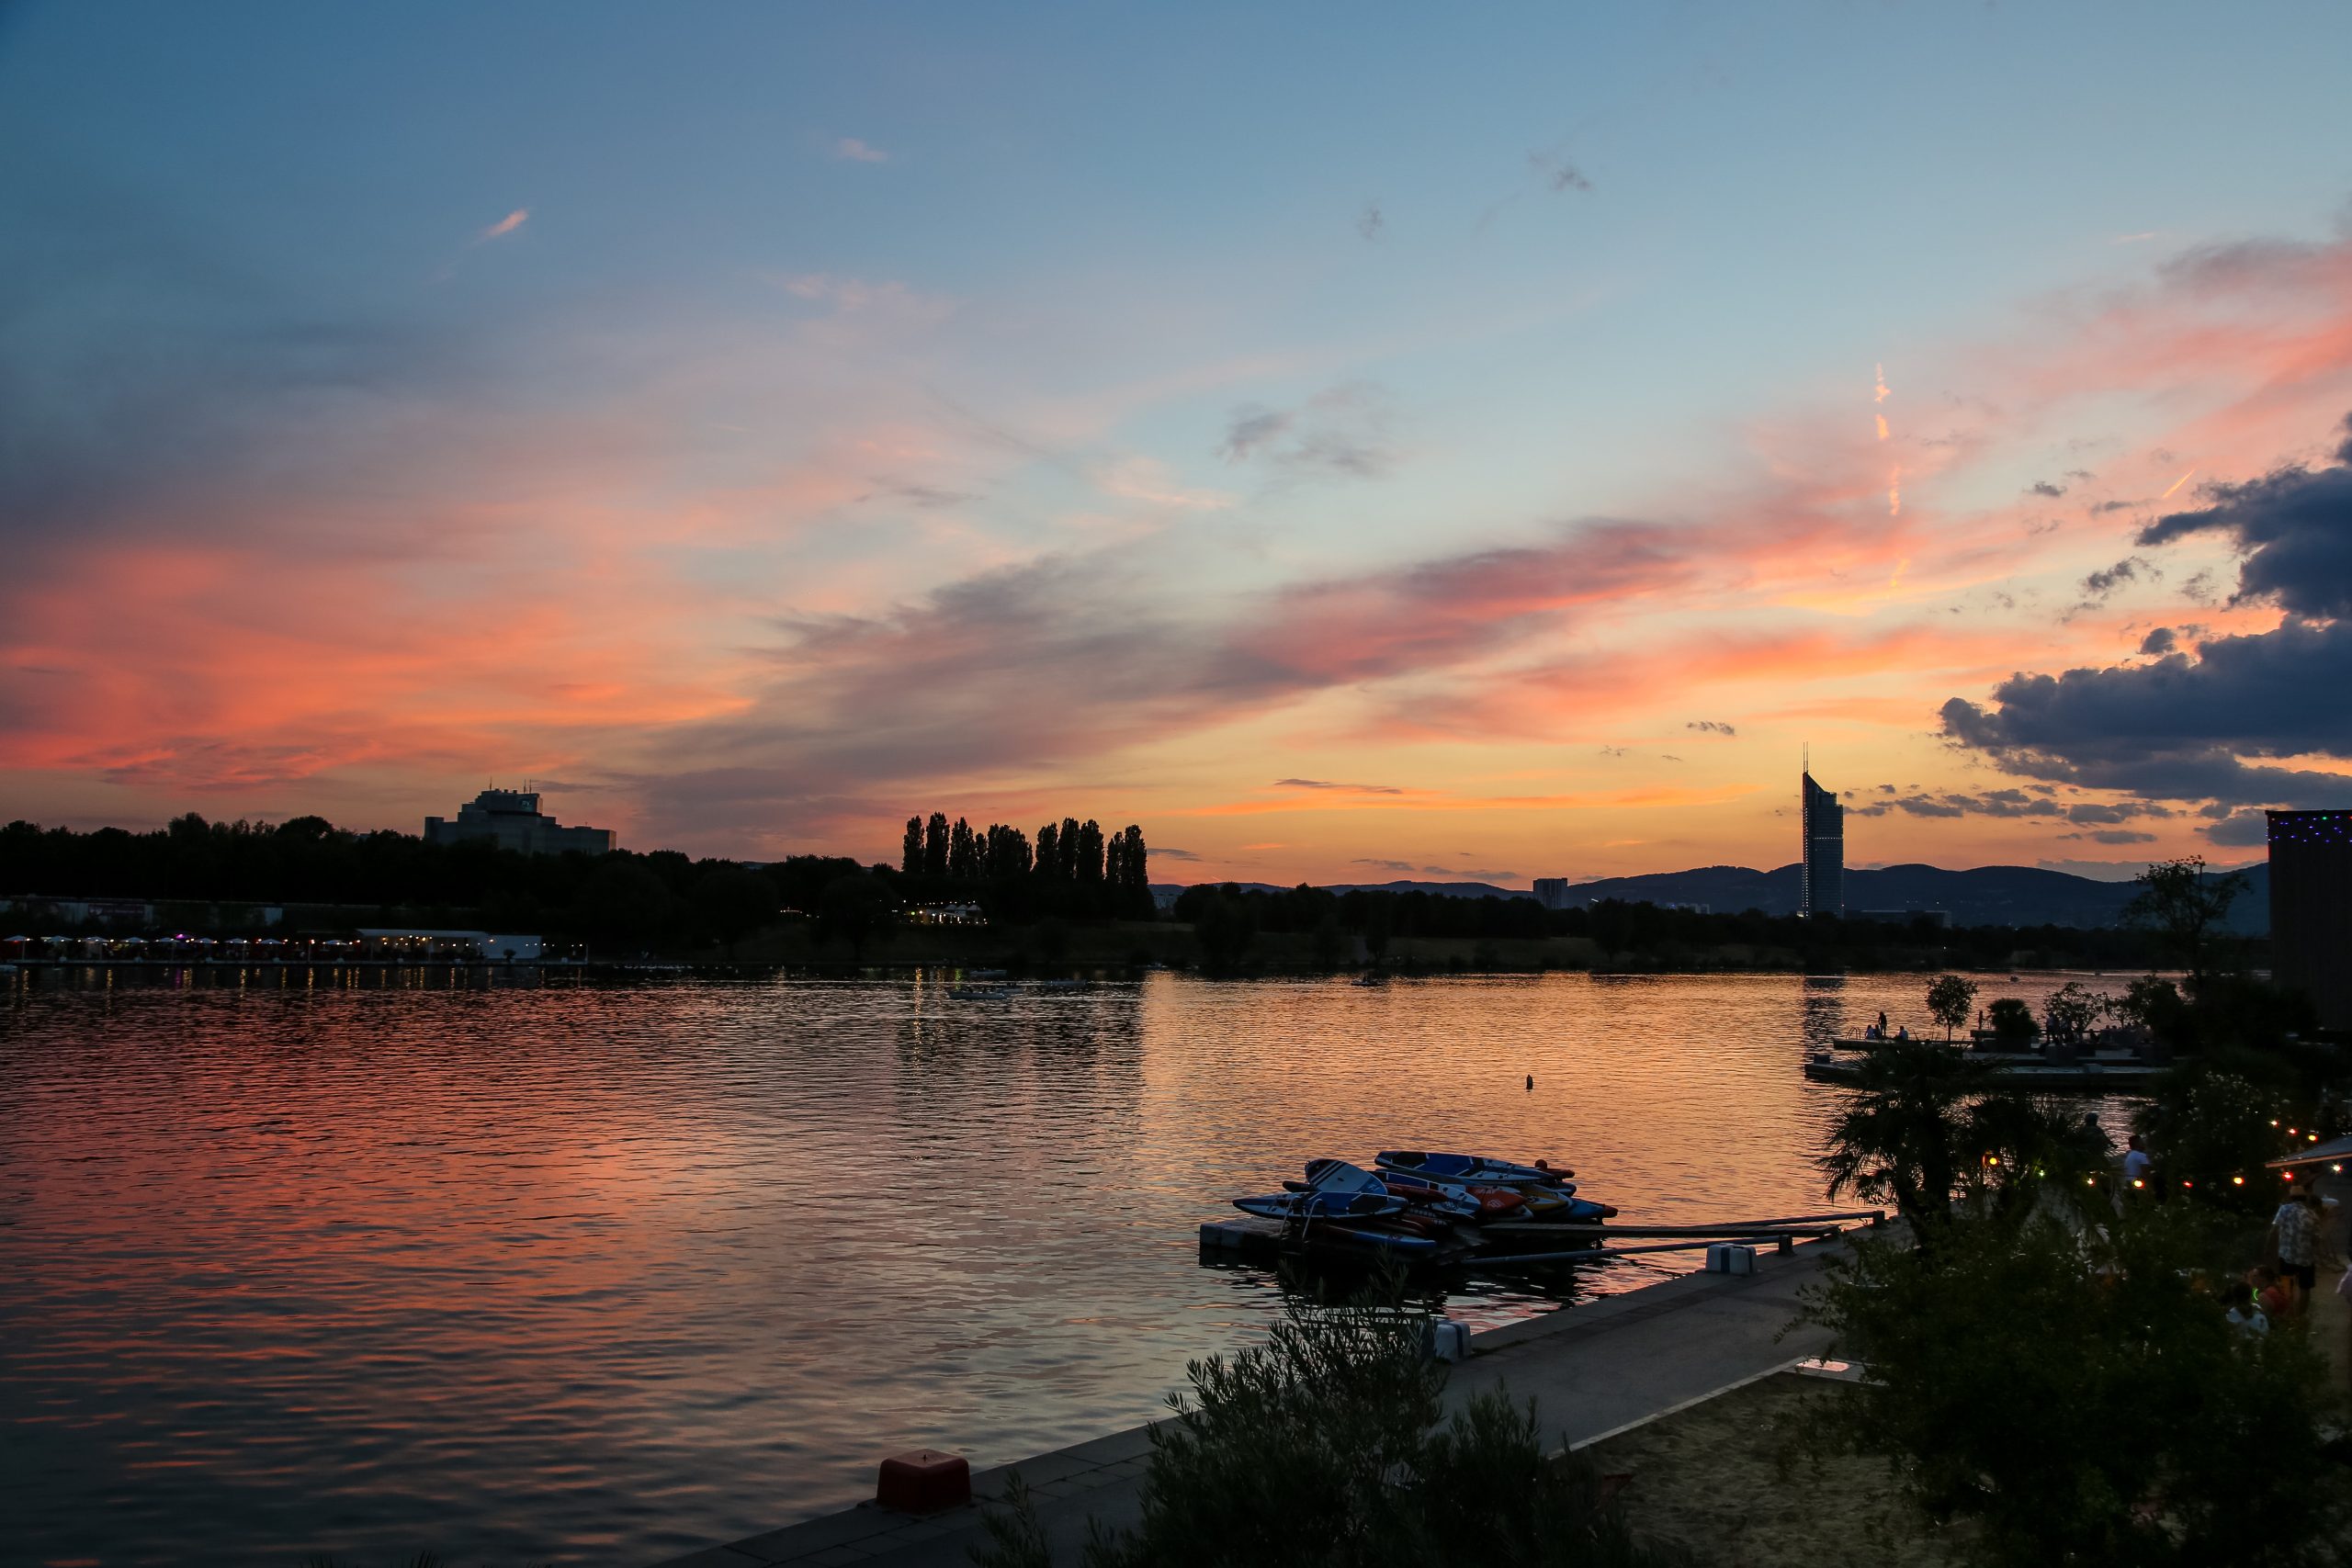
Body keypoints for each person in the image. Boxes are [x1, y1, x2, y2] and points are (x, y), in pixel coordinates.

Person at [2271, 1188, 2321, 1313]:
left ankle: (2288, 1312)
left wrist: (2268, 1248)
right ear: (2305, 1199)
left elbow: (2274, 1229)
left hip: (2287, 1256)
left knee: (2287, 1285)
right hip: (2306, 1258)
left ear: (2291, 1198)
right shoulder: (2312, 1215)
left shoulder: (2284, 1209)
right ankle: (2300, 1316)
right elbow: (2316, 1240)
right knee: (2305, 1288)